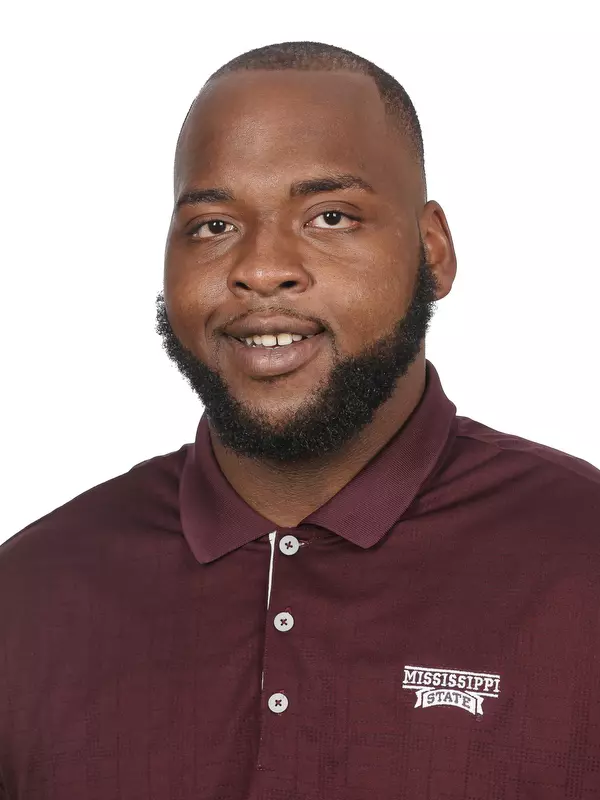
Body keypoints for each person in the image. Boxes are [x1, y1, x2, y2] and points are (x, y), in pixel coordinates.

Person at [1, 40, 599, 800]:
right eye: (213, 226)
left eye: (330, 216)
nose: (260, 269)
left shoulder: (583, 561)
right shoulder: (30, 596)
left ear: (433, 252)